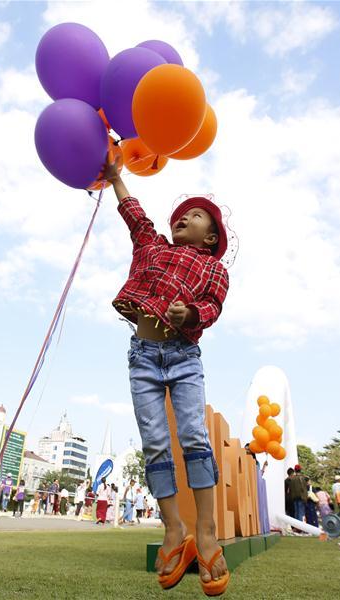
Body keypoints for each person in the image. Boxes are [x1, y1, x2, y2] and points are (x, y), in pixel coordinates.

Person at [104, 157, 232, 594]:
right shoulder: (152, 248)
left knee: (193, 435)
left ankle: (207, 533)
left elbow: (212, 307)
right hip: (143, 356)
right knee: (155, 442)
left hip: (183, 356)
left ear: (210, 237)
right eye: (180, 215)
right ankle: (174, 528)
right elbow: (135, 215)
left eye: (194, 216)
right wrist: (116, 177)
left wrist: (189, 313)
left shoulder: (214, 269)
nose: (183, 218)